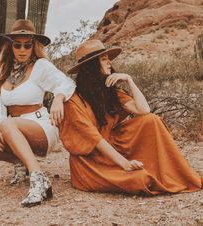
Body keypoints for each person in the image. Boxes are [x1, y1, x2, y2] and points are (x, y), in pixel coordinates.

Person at [59, 39, 202, 195]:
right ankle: (137, 172)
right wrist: (124, 163)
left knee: (151, 120)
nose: (109, 63)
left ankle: (176, 173)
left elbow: (144, 109)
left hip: (113, 146)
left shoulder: (110, 91)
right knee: (141, 180)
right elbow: (95, 139)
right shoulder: (74, 100)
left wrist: (129, 80)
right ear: (92, 65)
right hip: (91, 161)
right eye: (104, 59)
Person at [0, 19, 75, 207]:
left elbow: (67, 82)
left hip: (41, 128)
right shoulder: (1, 71)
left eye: (27, 45)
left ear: (33, 46)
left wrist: (58, 97)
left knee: (8, 124)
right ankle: (22, 163)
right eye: (17, 45)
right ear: (10, 46)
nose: (22, 50)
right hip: (12, 128)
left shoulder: (41, 66)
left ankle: (39, 179)